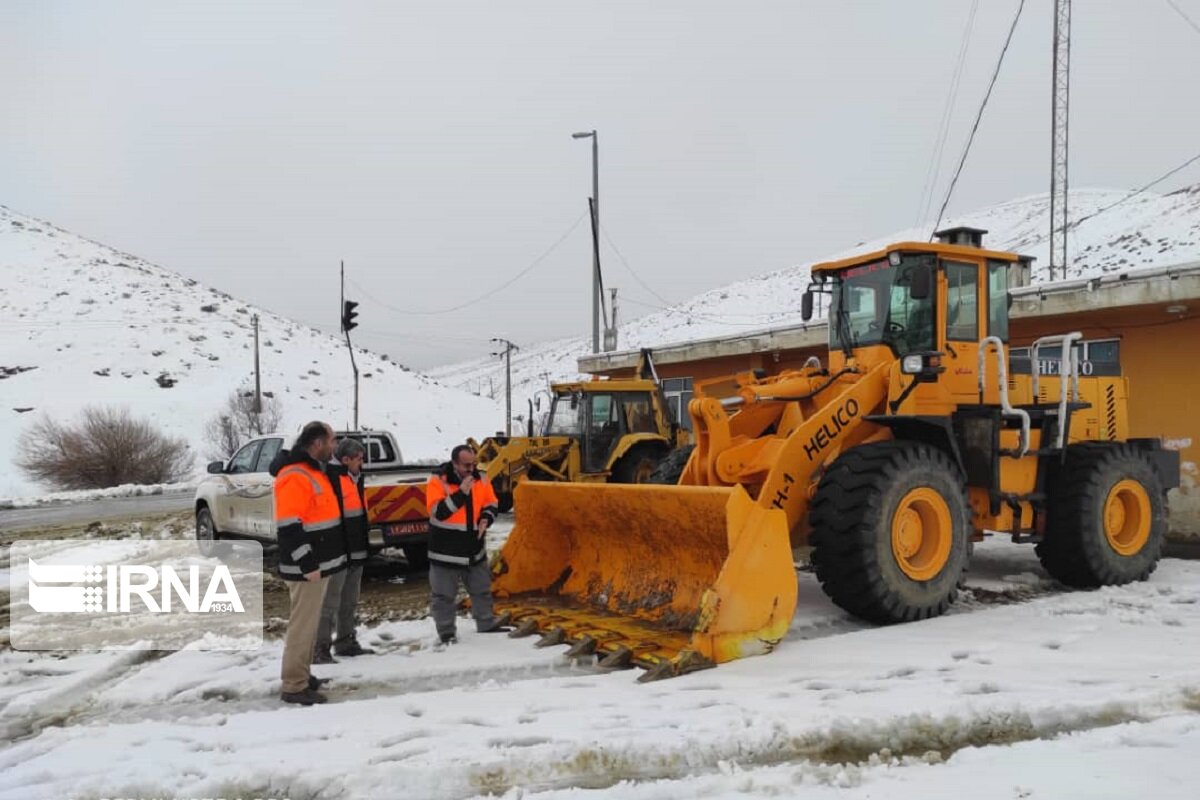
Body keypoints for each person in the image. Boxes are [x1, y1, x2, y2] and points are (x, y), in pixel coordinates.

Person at [273, 421, 348, 705]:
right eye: (332, 440)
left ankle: (302, 675)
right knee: (303, 627)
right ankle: (294, 685)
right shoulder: (295, 476)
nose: (335, 446)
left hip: (317, 564)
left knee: (309, 624)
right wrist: (307, 562)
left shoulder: (312, 471)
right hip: (307, 568)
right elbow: (289, 525)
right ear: (316, 443)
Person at [425, 444, 512, 644]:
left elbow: (491, 502)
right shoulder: (438, 481)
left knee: (482, 589)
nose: (471, 469)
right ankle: (446, 633)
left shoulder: (481, 478)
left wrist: (486, 518)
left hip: (473, 548)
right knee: (444, 596)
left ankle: (486, 623)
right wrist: (461, 493)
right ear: (454, 464)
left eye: (473, 464)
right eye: (466, 465)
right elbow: (438, 513)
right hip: (445, 551)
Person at [314, 437, 375, 663]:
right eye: (359, 459)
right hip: (337, 551)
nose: (362, 463)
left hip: (355, 549)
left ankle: (346, 642)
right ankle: (320, 648)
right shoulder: (330, 478)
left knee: (349, 601)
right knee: (329, 602)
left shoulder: (356, 479)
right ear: (346, 459)